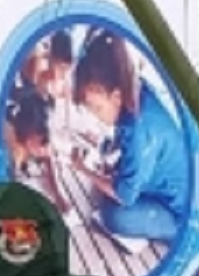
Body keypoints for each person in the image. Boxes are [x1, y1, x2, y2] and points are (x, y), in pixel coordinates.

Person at [77, 30, 185, 244]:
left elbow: (124, 197)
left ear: (116, 96)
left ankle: (173, 232)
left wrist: (82, 169)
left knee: (113, 216)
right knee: (107, 179)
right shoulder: (134, 87)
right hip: (159, 178)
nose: (95, 115)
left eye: (97, 108)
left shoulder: (140, 132)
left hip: (176, 209)